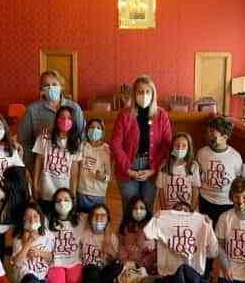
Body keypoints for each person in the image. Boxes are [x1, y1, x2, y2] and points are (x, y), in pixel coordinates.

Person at [110, 75, 172, 213]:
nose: (144, 95)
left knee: (147, 208)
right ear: (134, 94)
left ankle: (145, 235)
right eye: (140, 92)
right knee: (130, 209)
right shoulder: (124, 114)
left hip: (151, 167)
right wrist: (129, 170)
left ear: (153, 94)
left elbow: (166, 145)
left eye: (147, 92)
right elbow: (115, 145)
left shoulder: (161, 115)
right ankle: (129, 235)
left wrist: (153, 169)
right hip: (128, 167)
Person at [140, 201, 219, 283]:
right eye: (178, 209)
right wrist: (154, 219)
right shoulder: (163, 219)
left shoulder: (202, 222)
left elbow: (214, 252)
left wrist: (209, 227)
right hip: (168, 276)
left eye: (185, 210)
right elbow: (146, 238)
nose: (182, 211)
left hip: (192, 277)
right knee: (145, 282)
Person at [18, 69, 86, 170]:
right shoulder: (32, 110)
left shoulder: (75, 108)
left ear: (61, 87)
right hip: (42, 167)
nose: (50, 87)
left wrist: (79, 165)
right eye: (46, 85)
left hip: (69, 166)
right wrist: (31, 167)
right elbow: (24, 141)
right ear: (41, 89)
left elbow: (82, 137)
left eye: (54, 84)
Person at [32, 105, 81, 216]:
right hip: (45, 189)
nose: (65, 120)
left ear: (73, 121)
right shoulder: (44, 137)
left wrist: (73, 192)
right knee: (45, 219)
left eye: (69, 118)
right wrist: (35, 185)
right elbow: (38, 161)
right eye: (62, 117)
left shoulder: (76, 142)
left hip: (64, 193)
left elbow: (74, 169)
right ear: (56, 119)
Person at [197, 116, 243, 227]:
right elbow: (198, 176)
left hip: (226, 203)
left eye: (213, 134)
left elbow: (238, 180)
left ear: (225, 137)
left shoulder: (235, 156)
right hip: (206, 201)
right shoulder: (202, 153)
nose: (209, 136)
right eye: (208, 132)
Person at [75, 204, 121, 283]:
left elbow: (115, 258)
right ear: (90, 218)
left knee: (118, 266)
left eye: (102, 216)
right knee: (92, 269)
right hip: (88, 269)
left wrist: (110, 249)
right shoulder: (84, 233)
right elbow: (81, 216)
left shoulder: (112, 238)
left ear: (107, 219)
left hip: (103, 270)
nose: (98, 219)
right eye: (95, 215)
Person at [10, 202, 56, 283]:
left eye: (35, 216)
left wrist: (39, 252)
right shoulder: (18, 238)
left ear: (41, 217)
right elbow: (16, 263)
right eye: (28, 217)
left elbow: (52, 258)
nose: (32, 220)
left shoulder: (48, 235)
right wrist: (28, 243)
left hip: (40, 277)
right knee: (32, 280)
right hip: (24, 277)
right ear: (24, 220)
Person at [46, 188, 82, 283]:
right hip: (56, 262)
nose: (62, 203)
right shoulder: (47, 220)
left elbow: (101, 216)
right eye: (58, 200)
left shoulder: (81, 219)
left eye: (66, 199)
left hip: (74, 261)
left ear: (72, 202)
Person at [155, 132, 201, 211]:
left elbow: (195, 189)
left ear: (188, 148)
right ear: (172, 147)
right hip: (169, 209)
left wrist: (192, 209)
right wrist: (164, 210)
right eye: (177, 145)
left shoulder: (193, 166)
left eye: (184, 146)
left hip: (186, 209)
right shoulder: (164, 165)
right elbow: (161, 190)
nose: (180, 148)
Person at [77, 118, 112, 213]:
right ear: (87, 130)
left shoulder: (106, 150)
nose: (95, 130)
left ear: (102, 132)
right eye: (92, 127)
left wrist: (103, 177)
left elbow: (109, 177)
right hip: (81, 192)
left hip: (98, 194)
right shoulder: (82, 146)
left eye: (98, 128)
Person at [118, 196, 157, 274]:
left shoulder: (152, 228)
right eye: (135, 208)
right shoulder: (125, 226)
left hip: (144, 268)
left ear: (146, 210)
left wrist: (140, 264)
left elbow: (154, 252)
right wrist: (125, 261)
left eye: (142, 208)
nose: (138, 211)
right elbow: (121, 245)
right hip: (126, 266)